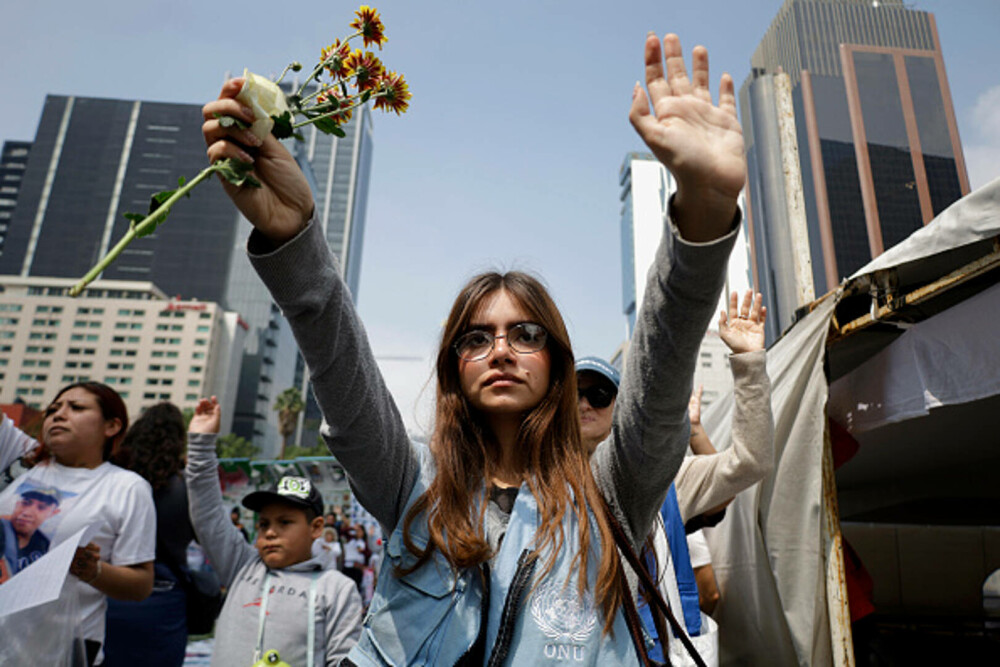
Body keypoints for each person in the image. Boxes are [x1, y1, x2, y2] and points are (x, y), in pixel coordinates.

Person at [203, 31, 745, 665]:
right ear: (454, 369)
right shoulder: (411, 484)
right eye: (476, 337)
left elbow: (661, 370)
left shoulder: (612, 489)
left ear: (558, 365)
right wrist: (296, 235)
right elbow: (340, 369)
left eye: (527, 334)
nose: (502, 350)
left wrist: (704, 213)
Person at [185, 397, 362, 666]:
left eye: (285, 522)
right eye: (264, 523)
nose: (270, 532)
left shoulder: (337, 589)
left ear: (316, 528)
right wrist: (200, 444)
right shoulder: (241, 567)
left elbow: (344, 659)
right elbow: (207, 514)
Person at [0, 382, 155, 666]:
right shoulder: (23, 459)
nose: (59, 415)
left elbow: (141, 584)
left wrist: (93, 570)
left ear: (111, 426)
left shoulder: (127, 487)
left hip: (59, 650)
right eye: (53, 409)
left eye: (77, 408)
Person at [103, 402, 199, 667]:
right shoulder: (186, 489)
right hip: (165, 598)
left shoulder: (112, 479)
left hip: (107, 587)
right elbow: (205, 536)